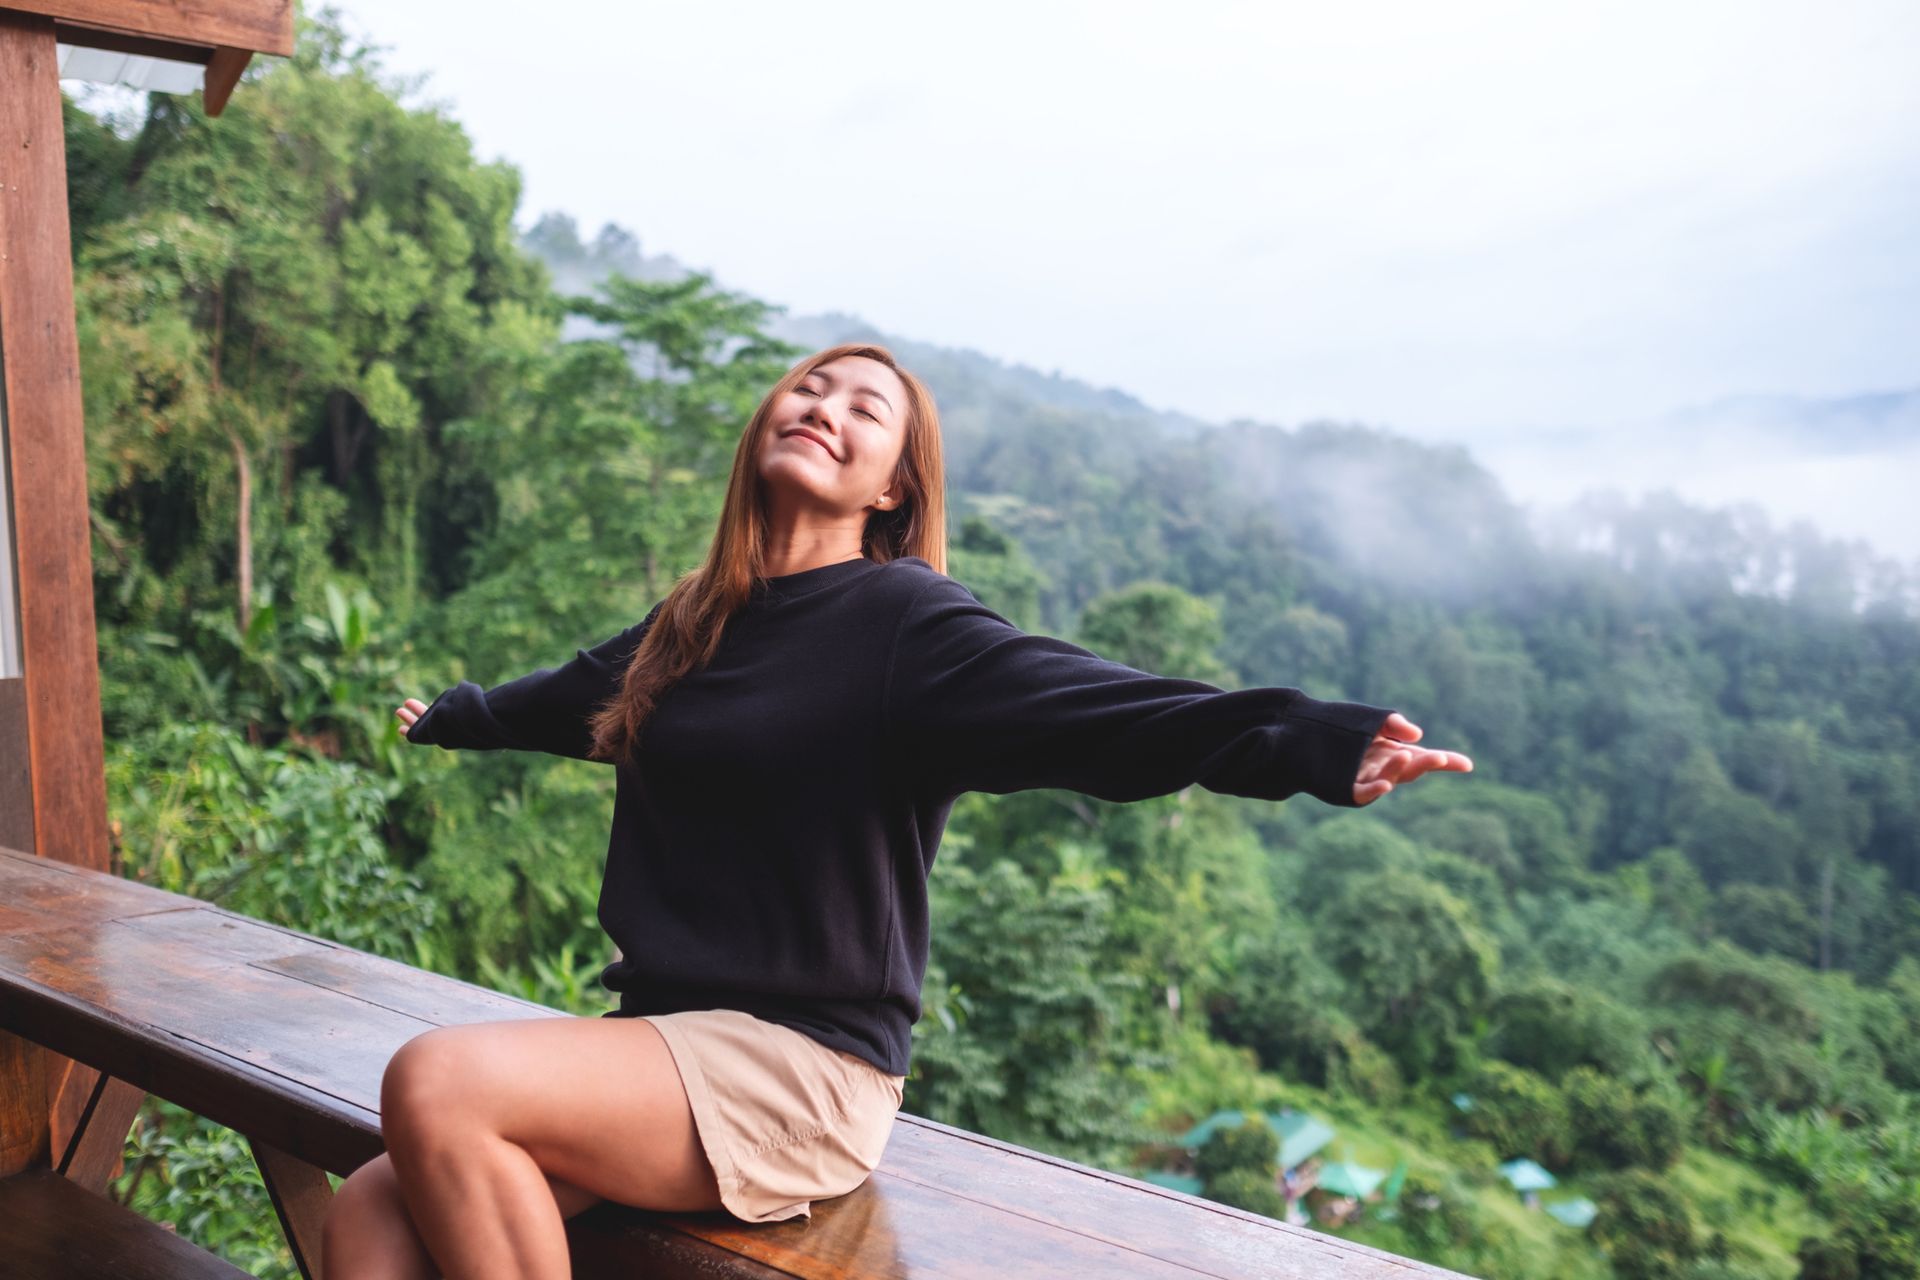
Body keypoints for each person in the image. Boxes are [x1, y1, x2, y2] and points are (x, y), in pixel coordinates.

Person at [319, 343, 1472, 1279]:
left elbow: (1110, 709)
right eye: (809, 384)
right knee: (372, 1210)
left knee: (439, 1081)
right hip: (661, 1049)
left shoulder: (905, 625)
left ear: (892, 486)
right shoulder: (691, 622)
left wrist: (1315, 742)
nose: (825, 404)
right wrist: (452, 716)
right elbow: (570, 699)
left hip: (804, 1070)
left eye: (867, 406)